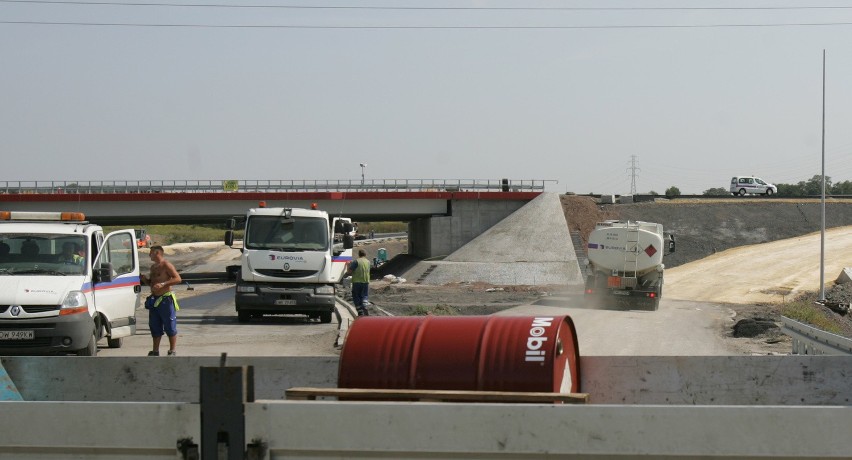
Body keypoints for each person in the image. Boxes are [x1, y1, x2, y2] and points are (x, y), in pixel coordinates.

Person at [140, 245, 182, 356]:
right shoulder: (153, 267)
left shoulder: (166, 265)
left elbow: (178, 278)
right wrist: (145, 280)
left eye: (151, 253)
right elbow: (152, 284)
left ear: (157, 253)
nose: (149, 255)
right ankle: (155, 350)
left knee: (169, 325)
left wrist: (163, 284)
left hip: (165, 299)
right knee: (154, 325)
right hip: (154, 300)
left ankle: (172, 350)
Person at [346, 249, 371, 316]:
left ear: (359, 255)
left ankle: (360, 311)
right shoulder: (368, 262)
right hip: (365, 281)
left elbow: (349, 272)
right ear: (365, 255)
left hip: (357, 282)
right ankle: (365, 306)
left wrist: (348, 265)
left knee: (356, 296)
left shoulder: (356, 261)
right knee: (364, 295)